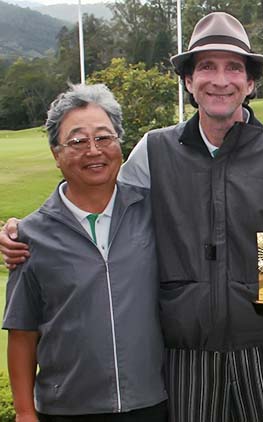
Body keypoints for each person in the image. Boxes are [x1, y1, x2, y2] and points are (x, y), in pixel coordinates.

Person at [1, 12, 263, 422]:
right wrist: (24, 229)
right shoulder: (155, 150)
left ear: (250, 82)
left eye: (233, 68)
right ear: (188, 81)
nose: (220, 79)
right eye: (206, 66)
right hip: (186, 354)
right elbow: (95, 186)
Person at [2, 84, 166, 422]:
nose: (94, 151)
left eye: (104, 138)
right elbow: (22, 333)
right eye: (77, 141)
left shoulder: (154, 212)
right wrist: (23, 413)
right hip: (66, 411)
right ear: (56, 153)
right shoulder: (30, 236)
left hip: (150, 404)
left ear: (120, 144)